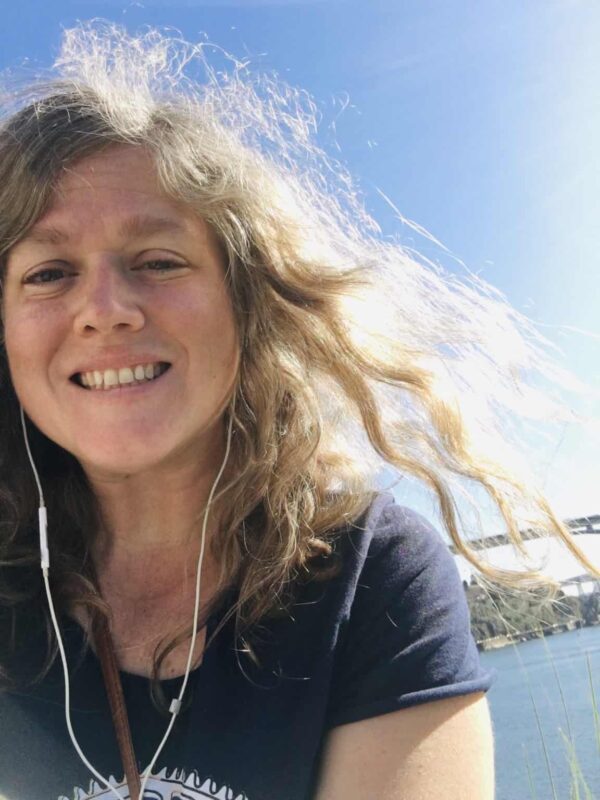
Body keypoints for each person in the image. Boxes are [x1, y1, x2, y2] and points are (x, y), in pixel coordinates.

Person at [0, 22, 595, 800]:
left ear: (248, 304)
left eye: (158, 260)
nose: (105, 309)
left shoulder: (371, 579)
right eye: (48, 272)